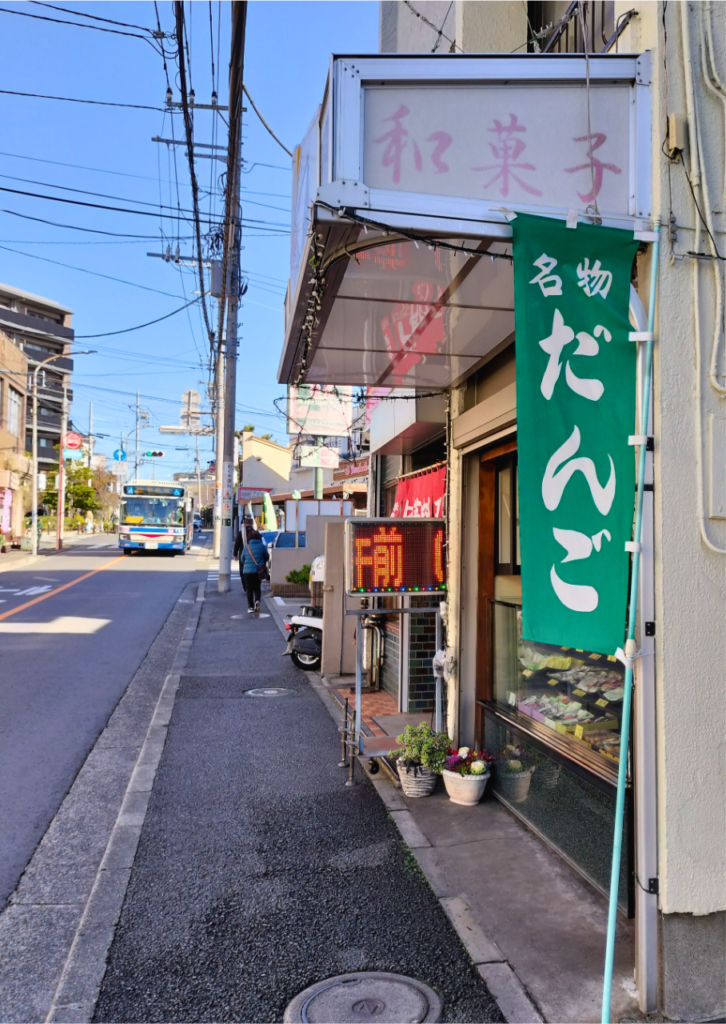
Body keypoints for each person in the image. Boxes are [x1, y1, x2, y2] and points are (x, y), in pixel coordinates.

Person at [239, 528, 268, 612]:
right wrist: (262, 562)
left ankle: (250, 607)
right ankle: (257, 600)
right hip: (258, 571)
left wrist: (247, 564)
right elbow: (266, 556)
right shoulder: (262, 546)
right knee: (257, 587)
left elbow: (242, 559)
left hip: (247, 572)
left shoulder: (246, 547)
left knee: (249, 589)